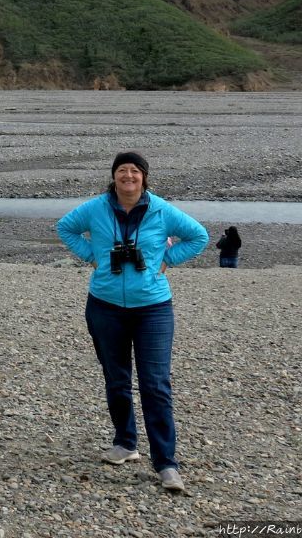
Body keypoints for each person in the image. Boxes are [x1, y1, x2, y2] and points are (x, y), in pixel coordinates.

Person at [56, 151, 209, 493]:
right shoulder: (96, 208)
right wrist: (90, 256)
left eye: (134, 171)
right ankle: (126, 443)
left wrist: (168, 260)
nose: (128, 176)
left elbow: (199, 236)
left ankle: (167, 463)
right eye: (122, 170)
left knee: (155, 384)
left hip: (152, 308)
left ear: (144, 177)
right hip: (105, 306)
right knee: (117, 379)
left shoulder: (160, 209)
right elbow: (65, 227)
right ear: (114, 177)